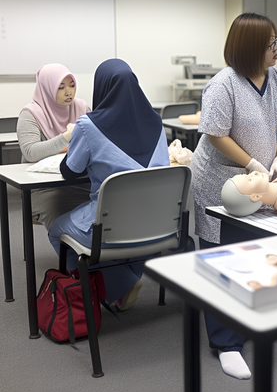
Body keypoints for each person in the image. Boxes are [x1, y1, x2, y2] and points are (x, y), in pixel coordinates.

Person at [190, 12, 277, 380]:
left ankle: (251, 317)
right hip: (220, 181)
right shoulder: (224, 84)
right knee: (222, 257)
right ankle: (226, 343)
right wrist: (252, 161)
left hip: (263, 180)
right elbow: (215, 133)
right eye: (271, 43)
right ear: (252, 47)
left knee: (258, 250)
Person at [48, 59, 169, 312]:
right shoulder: (157, 122)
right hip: (156, 224)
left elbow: (70, 171)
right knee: (134, 231)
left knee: (56, 230)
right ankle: (124, 283)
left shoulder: (88, 125)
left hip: (110, 225)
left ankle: (112, 285)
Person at [17, 63, 91, 230]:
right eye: (61, 87)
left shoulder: (81, 107)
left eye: (72, 85)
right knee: (62, 215)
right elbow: (30, 153)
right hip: (44, 187)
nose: (69, 92)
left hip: (79, 180)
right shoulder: (31, 114)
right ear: (47, 88)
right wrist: (66, 137)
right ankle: (71, 252)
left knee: (105, 206)